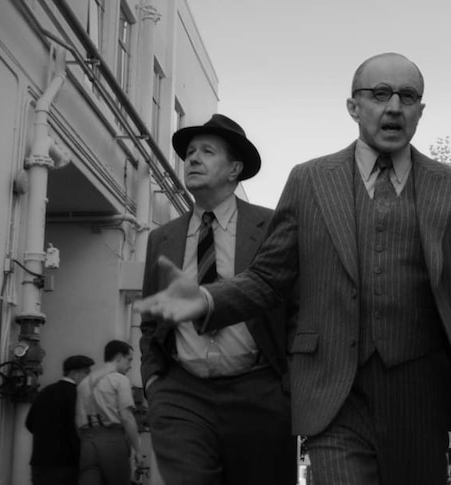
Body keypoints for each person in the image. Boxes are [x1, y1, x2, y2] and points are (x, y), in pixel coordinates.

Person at [135, 52, 451, 485]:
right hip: (333, 393)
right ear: (353, 106)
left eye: (408, 96)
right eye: (380, 94)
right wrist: (210, 298)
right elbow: (268, 278)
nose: (394, 106)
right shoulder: (309, 181)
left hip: (418, 392)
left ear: (421, 111)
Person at [140, 113, 295, 485]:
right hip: (182, 392)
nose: (192, 158)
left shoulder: (272, 226)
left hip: (258, 394)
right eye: (190, 152)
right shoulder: (162, 239)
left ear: (234, 169)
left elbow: (296, 308)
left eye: (207, 152)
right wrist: (153, 383)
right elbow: (151, 322)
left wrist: (287, 387)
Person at [76, 340, 141, 485]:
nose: (130, 366)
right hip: (112, 440)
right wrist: (137, 449)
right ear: (119, 357)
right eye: (129, 360)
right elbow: (127, 417)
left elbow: (77, 422)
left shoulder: (84, 383)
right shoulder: (120, 380)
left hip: (87, 442)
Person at [25, 354, 94, 485]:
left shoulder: (45, 392)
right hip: (67, 463)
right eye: (86, 373)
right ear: (74, 373)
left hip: (40, 462)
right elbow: (77, 429)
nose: (89, 378)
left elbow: (29, 423)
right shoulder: (77, 395)